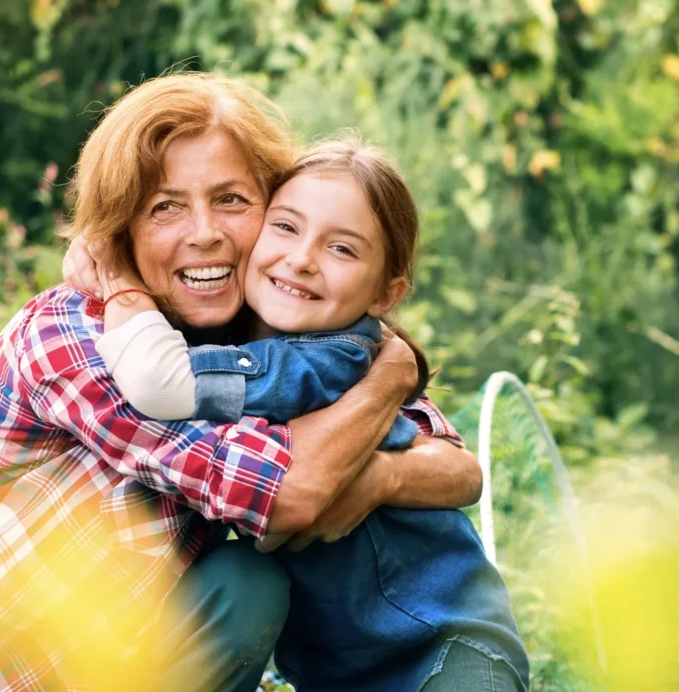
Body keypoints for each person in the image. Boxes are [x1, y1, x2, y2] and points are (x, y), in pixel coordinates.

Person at [0, 73, 483, 691]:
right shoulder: (80, 337)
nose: (203, 234)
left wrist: (384, 467)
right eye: (164, 208)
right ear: (120, 225)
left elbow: (455, 466)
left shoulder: (257, 339)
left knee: (244, 586)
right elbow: (290, 493)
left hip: (85, 660)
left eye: (231, 200)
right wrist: (386, 379)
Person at [73, 136, 529, 691]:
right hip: (334, 673)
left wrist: (117, 276)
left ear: (386, 293)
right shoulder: (251, 337)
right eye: (286, 227)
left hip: (439, 648)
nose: (302, 260)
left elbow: (160, 381)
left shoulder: (333, 357)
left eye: (342, 249)